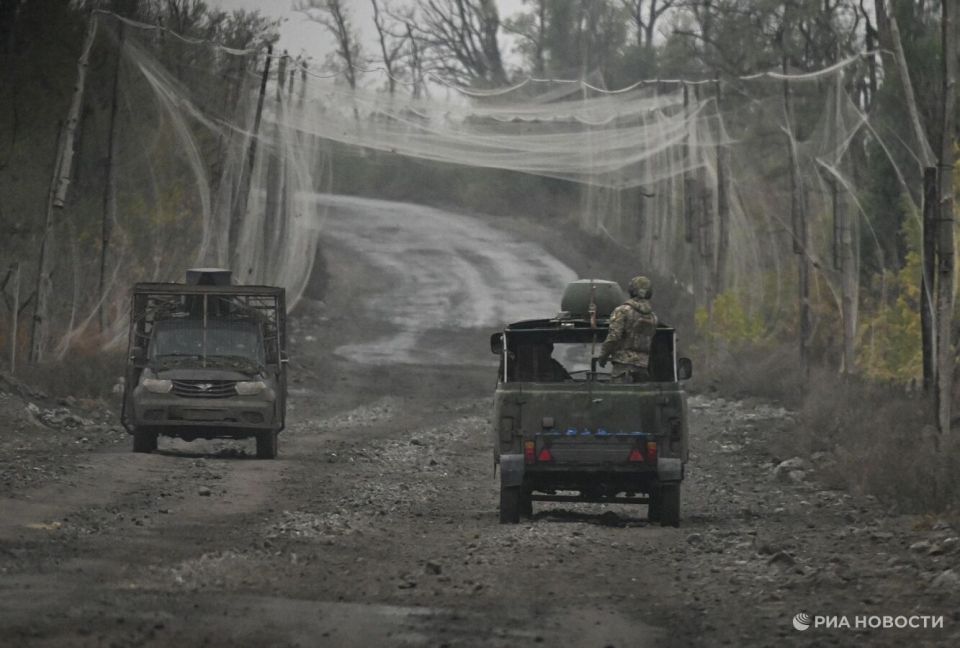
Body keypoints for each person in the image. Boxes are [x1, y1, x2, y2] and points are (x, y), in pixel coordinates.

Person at [598, 276, 658, 383]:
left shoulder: (622, 311)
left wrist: (603, 356)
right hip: (643, 368)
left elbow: (614, 336)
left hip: (623, 367)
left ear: (631, 291)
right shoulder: (653, 317)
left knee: (620, 397)